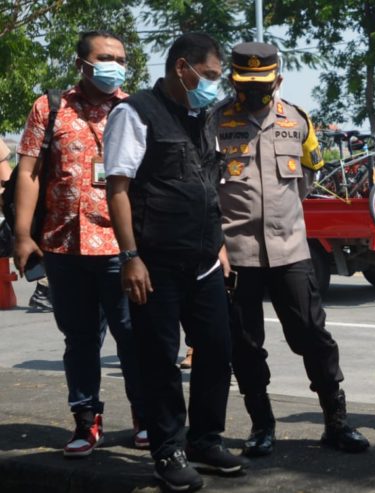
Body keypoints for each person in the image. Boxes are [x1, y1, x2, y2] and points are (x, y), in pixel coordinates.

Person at [104, 32, 248, 491]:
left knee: (217, 350)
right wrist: (131, 258)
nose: (212, 84)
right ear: (181, 67)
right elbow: (118, 189)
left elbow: (208, 186)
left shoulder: (201, 115)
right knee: (159, 359)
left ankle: (206, 439)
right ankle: (168, 451)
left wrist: (220, 245)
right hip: (155, 263)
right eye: (207, 75)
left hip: (204, 259)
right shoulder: (134, 113)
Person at [216, 42, 369, 457]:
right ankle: (262, 426)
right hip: (238, 255)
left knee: (314, 337)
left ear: (278, 80)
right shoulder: (214, 124)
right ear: (232, 80)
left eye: (261, 84)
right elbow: (205, 192)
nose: (252, 92)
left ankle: (336, 423)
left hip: (292, 253)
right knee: (246, 346)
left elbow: (306, 176)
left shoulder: (298, 121)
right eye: (244, 84)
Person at [12, 30, 147, 458]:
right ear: (81, 64)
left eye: (121, 59)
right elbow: (29, 173)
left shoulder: (135, 109)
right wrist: (21, 234)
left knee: (133, 336)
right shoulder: (50, 108)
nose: (115, 65)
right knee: (80, 339)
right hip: (64, 246)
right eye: (105, 57)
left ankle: (146, 415)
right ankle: (86, 420)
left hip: (119, 247)